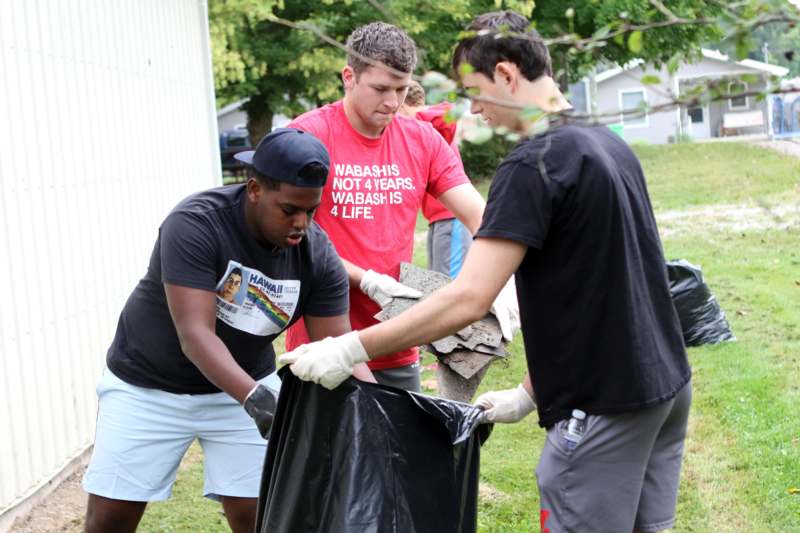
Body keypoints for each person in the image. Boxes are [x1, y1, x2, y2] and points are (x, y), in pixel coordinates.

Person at [279, 11, 692, 533]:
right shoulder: (605, 143)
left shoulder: (532, 165)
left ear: (505, 74)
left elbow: (467, 299)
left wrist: (350, 348)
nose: (472, 108)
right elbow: (604, 294)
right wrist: (529, 391)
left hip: (602, 403)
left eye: (474, 90)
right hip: (665, 385)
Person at [82, 128, 372, 533]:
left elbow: (339, 347)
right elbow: (195, 336)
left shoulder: (317, 256)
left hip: (243, 387)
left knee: (262, 517)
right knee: (110, 519)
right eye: (289, 209)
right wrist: (258, 400)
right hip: (148, 388)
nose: (301, 223)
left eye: (311, 210)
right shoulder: (196, 224)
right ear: (254, 188)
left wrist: (385, 411)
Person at [284, 21, 516, 392]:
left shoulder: (421, 139)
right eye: (380, 89)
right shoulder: (308, 136)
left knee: (403, 449)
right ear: (349, 76)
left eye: (401, 88)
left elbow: (479, 216)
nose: (392, 102)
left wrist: (503, 281)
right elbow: (292, 238)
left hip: (397, 338)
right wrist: (368, 280)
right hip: (324, 342)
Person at [398, 81, 472, 279]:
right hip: (438, 218)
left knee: (449, 283)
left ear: (403, 104)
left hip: (452, 216)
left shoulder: (431, 124)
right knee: (436, 281)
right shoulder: (425, 129)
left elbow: (447, 112)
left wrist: (411, 119)